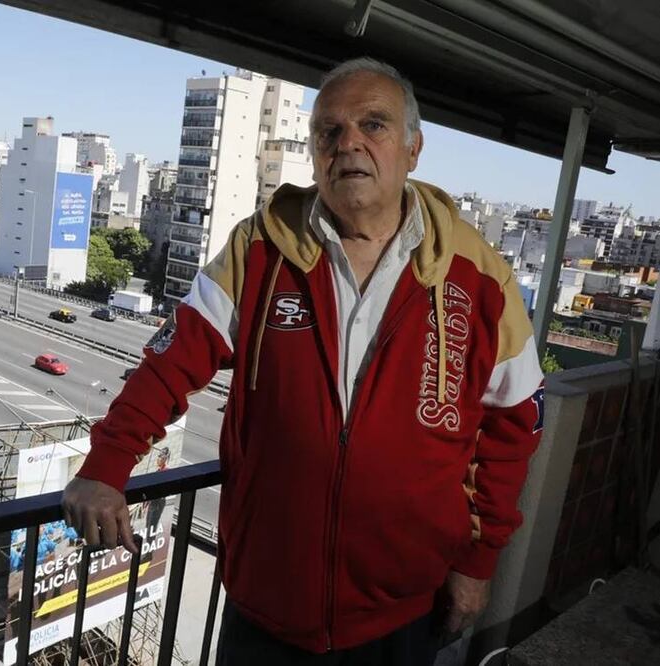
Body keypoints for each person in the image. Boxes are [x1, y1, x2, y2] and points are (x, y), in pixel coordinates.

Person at [62, 57, 544, 666]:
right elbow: (171, 362)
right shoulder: (261, 247)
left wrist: (476, 563)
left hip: (403, 612)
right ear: (314, 154)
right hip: (266, 609)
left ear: (414, 148)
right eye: (329, 131)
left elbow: (514, 425)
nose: (349, 144)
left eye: (374, 125)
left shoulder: (478, 276)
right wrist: (106, 466)